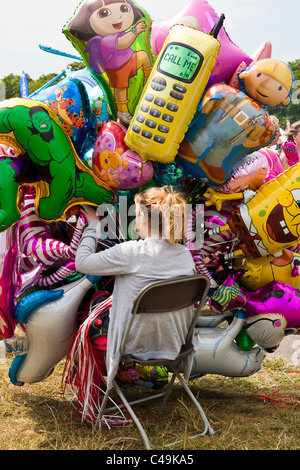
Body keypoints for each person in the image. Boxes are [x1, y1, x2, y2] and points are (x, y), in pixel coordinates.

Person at [75, 186, 196, 389]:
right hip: (173, 344)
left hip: (131, 343)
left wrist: (93, 226)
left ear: (141, 215)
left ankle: (91, 386)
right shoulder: (185, 255)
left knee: (91, 303)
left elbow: (82, 263)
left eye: (136, 214)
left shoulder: (132, 252)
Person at [68, 0, 152, 124]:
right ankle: (122, 110)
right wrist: (134, 31)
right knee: (121, 90)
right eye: (104, 13)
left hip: (130, 60)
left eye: (124, 9)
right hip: (117, 68)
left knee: (144, 56)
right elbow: (123, 43)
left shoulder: (121, 32)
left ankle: (148, 80)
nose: (119, 16)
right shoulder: (103, 40)